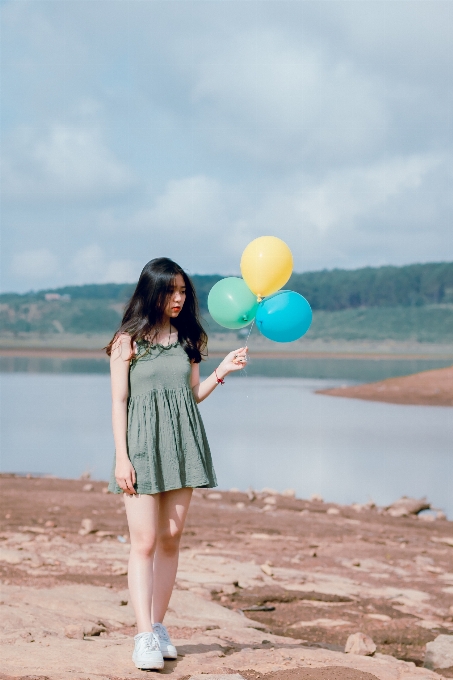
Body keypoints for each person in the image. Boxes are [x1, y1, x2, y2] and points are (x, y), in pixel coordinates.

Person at [105, 257, 247, 670]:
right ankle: (143, 635)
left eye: (184, 291)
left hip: (182, 443)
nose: (179, 298)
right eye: (171, 291)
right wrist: (122, 457)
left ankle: (159, 626)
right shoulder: (126, 341)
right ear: (153, 292)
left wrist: (221, 370)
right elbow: (119, 402)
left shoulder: (188, 339)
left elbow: (190, 395)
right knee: (144, 541)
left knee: (171, 537)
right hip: (141, 446)